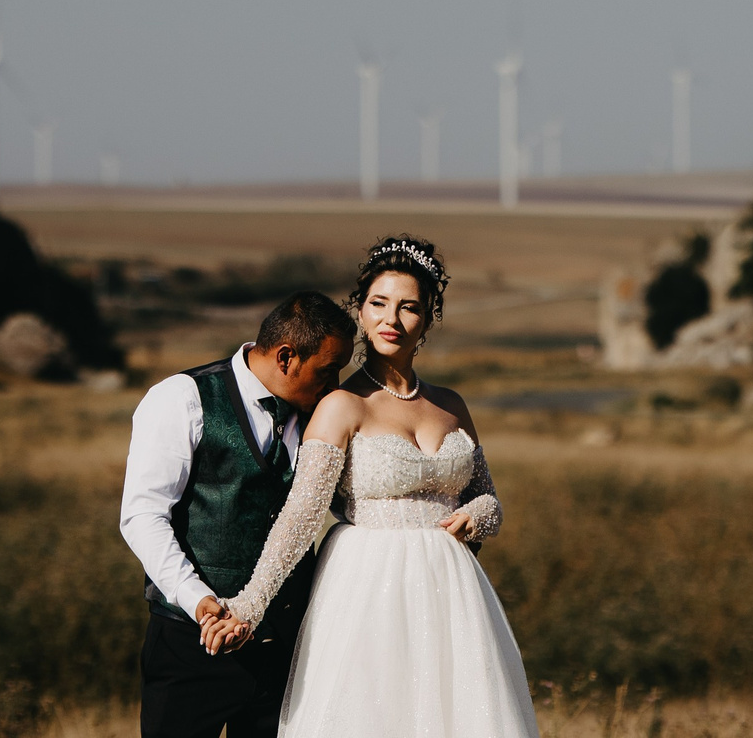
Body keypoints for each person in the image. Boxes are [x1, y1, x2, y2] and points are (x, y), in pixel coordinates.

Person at [212, 233, 540, 738]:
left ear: (427, 319)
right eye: (379, 303)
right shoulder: (342, 405)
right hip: (366, 587)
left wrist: (480, 515)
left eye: (409, 307)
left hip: (451, 591)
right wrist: (249, 606)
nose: (392, 319)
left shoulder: (452, 405)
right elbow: (301, 516)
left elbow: (486, 495)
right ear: (361, 312)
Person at [118, 290, 356, 738]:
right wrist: (198, 601)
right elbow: (143, 516)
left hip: (285, 648)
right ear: (286, 357)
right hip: (191, 647)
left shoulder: (324, 414)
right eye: (327, 370)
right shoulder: (181, 399)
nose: (335, 384)